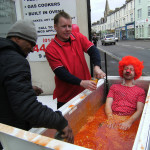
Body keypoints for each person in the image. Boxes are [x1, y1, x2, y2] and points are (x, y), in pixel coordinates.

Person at [0, 19, 74, 147]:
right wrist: (60, 122)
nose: (33, 49)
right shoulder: (15, 61)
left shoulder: (4, 56)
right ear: (17, 38)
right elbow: (27, 107)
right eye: (31, 43)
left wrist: (27, 89)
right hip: (8, 136)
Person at [46, 11, 105, 108]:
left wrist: (97, 67)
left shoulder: (77, 37)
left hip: (85, 91)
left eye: (69, 26)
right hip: (66, 97)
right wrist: (81, 82)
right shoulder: (51, 49)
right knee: (67, 123)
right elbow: (61, 73)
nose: (68, 29)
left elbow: (93, 50)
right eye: (64, 26)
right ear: (55, 27)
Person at [105, 56, 146, 130]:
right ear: (122, 71)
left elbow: (140, 110)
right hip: (112, 116)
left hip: (129, 119)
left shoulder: (140, 91)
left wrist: (129, 122)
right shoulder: (114, 87)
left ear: (135, 72)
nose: (128, 71)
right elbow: (108, 104)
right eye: (126, 68)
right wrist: (110, 118)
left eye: (131, 69)